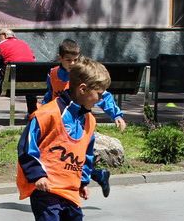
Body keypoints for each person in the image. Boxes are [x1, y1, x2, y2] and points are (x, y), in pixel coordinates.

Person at [14, 56, 108, 221]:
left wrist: (83, 181)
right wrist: (38, 176)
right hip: (46, 191)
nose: (100, 98)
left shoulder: (89, 121)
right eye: (99, 93)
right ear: (83, 89)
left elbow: (86, 154)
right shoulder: (47, 114)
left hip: (69, 191)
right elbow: (26, 148)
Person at [42, 38, 125, 198]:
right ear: (60, 58)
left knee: (73, 155)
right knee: (63, 156)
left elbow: (102, 95)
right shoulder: (53, 74)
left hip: (79, 121)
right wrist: (42, 110)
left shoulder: (82, 75)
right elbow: (49, 94)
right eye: (68, 60)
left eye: (76, 59)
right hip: (57, 120)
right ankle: (98, 176)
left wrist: (116, 114)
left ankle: (76, 186)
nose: (72, 63)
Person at [0, 28, 35, 125]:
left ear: (4, 35)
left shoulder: (0, 45)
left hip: (9, 86)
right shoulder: (25, 44)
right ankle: (32, 112)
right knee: (27, 78)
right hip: (29, 85)